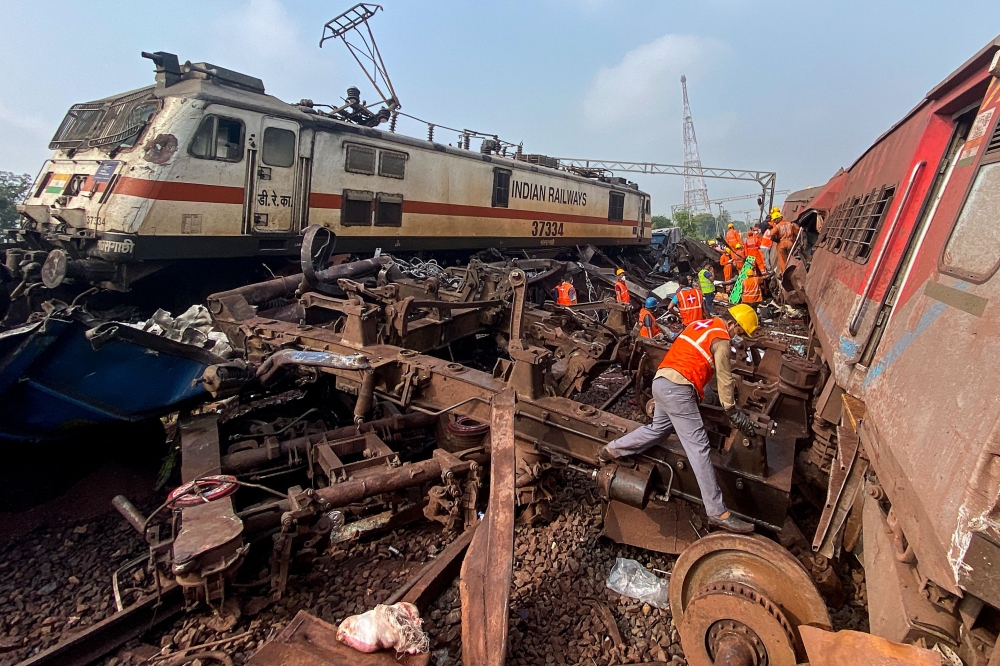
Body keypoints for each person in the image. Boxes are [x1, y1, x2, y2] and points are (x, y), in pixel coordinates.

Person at [598, 305, 763, 534]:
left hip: (662, 382)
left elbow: (697, 361)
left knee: (658, 430)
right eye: (740, 333)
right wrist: (732, 411)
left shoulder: (700, 325)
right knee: (699, 448)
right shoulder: (722, 339)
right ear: (734, 325)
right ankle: (717, 512)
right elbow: (725, 378)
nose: (738, 337)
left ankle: (611, 450)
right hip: (678, 389)